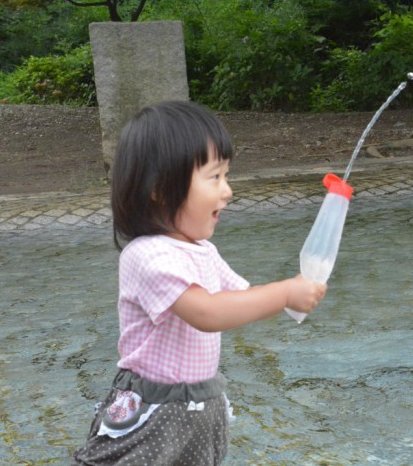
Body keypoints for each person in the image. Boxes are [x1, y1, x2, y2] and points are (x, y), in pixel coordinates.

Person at [72, 101, 326, 464]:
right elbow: (207, 312)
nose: (228, 191)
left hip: (200, 403)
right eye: (215, 177)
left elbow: (239, 297)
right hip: (154, 409)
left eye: (226, 175)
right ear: (160, 187)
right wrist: (284, 292)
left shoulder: (202, 250)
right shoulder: (148, 255)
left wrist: (296, 292)